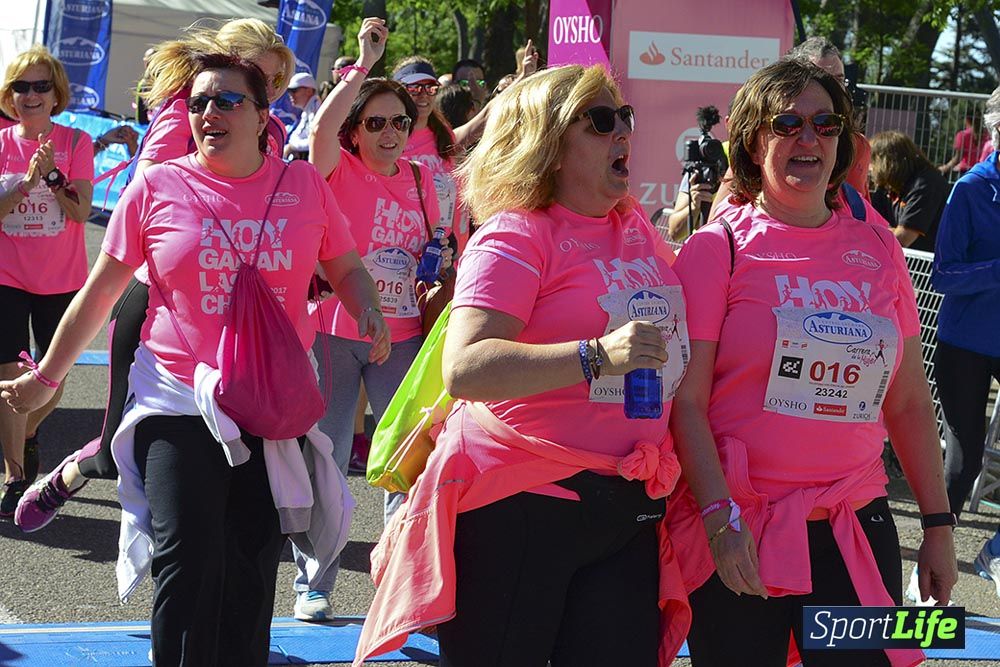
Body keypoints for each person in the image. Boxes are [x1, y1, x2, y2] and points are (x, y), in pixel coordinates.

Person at [1, 53, 386, 665]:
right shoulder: (157, 185)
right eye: (199, 102)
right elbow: (101, 291)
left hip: (269, 401)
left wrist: (366, 305)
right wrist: (46, 378)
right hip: (175, 395)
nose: (208, 113)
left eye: (227, 101)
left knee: (250, 564)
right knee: (187, 554)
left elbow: (343, 264)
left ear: (264, 116)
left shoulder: (302, 185)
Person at [355, 63, 693, 667]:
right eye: (600, 120)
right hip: (522, 504)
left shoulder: (637, 227)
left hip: (625, 502)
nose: (623, 132)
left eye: (626, 118)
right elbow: (467, 366)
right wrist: (597, 356)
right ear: (549, 143)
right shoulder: (517, 235)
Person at [666, 58, 956, 666]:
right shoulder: (715, 249)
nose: (809, 139)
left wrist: (938, 525)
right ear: (752, 139)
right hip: (744, 531)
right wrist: (720, 519)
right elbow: (686, 403)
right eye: (787, 123)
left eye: (825, 124)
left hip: (852, 528)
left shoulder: (877, 245)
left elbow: (905, 401)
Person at [12, 17, 297, 531]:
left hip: (239, 299)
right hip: (161, 294)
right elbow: (144, 206)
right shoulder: (181, 115)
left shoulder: (272, 128)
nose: (268, 90)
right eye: (261, 73)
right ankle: (69, 474)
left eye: (276, 83)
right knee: (124, 439)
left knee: (247, 429)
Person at [304, 17, 452, 620]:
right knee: (330, 458)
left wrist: (435, 273)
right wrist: (365, 62)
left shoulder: (423, 180)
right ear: (355, 131)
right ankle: (314, 582)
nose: (391, 132)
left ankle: (394, 581)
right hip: (336, 335)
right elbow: (318, 129)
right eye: (376, 123)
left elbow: (436, 247)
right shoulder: (336, 170)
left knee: (401, 464)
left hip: (405, 338)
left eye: (400, 121)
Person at [0, 45, 94, 515]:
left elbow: (81, 213)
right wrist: (22, 184)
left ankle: (28, 430)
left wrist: (52, 175)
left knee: (52, 384)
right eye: (21, 86)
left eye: (40, 86)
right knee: (12, 377)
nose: (30, 95)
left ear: (56, 93)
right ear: (9, 95)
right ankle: (15, 478)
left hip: (61, 279)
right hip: (7, 277)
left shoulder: (77, 142)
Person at [931, 85, 1000, 593]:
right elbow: (945, 275)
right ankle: (929, 566)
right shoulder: (970, 189)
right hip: (965, 344)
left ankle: (993, 552)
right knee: (964, 459)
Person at [869, 130, 947, 251]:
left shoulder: (926, 183)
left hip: (926, 264)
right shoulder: (887, 186)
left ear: (885, 161)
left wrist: (879, 231)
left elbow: (902, 239)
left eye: (872, 161)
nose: (869, 168)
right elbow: (869, 224)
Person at [285, 72, 320, 160]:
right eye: (289, 91)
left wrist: (292, 147)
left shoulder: (316, 109)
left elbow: (315, 140)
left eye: (294, 90)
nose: (290, 95)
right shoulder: (310, 108)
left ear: (308, 91)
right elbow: (298, 135)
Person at [939, 113, 987, 177]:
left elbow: (958, 157)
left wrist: (946, 167)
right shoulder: (987, 135)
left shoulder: (962, 135)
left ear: (966, 120)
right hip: (982, 171)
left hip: (965, 172)